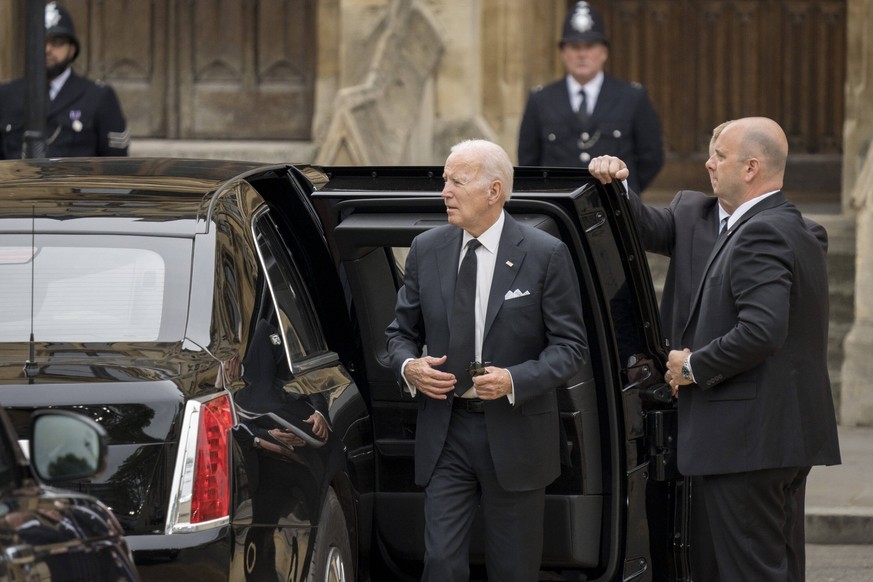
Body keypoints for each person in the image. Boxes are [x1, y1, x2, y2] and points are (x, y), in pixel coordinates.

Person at [590, 117, 841, 581]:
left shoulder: (770, 231)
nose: (707, 162)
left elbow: (764, 331)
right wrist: (615, 186)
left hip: (747, 435)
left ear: (750, 168)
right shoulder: (726, 218)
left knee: (748, 567)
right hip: (770, 436)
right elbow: (641, 227)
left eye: (719, 155)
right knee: (772, 563)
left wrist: (692, 366)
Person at [386, 139, 588, 581]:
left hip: (516, 433)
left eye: (457, 182)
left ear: (493, 191)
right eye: (445, 181)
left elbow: (571, 348)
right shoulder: (426, 249)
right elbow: (399, 334)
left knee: (513, 568)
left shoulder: (544, 253)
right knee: (439, 561)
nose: (445, 192)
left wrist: (515, 379)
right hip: (446, 429)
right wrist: (409, 368)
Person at [518, 0, 663, 194]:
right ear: (563, 52)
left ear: (604, 52)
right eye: (574, 46)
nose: (582, 54)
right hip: (559, 208)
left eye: (590, 46)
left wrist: (625, 192)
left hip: (614, 206)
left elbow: (651, 156)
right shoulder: (541, 99)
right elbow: (528, 160)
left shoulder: (632, 97)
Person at [0, 2, 129, 159]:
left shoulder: (98, 97)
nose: (47, 49)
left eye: (57, 42)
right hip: (18, 183)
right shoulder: (5, 95)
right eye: (40, 41)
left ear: (72, 49)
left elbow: (115, 163)